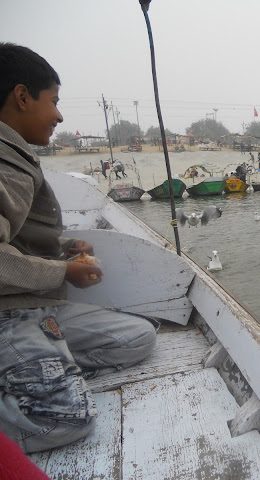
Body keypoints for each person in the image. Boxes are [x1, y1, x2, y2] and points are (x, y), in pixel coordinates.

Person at [0, 43, 157, 453]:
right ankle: (34, 371)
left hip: (35, 305)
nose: (59, 115)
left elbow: (14, 238)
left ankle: (42, 365)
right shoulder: (7, 164)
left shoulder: (18, 156)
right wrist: (63, 272)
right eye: (53, 102)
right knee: (65, 419)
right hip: (8, 315)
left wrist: (65, 245)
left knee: (138, 338)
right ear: (21, 97)